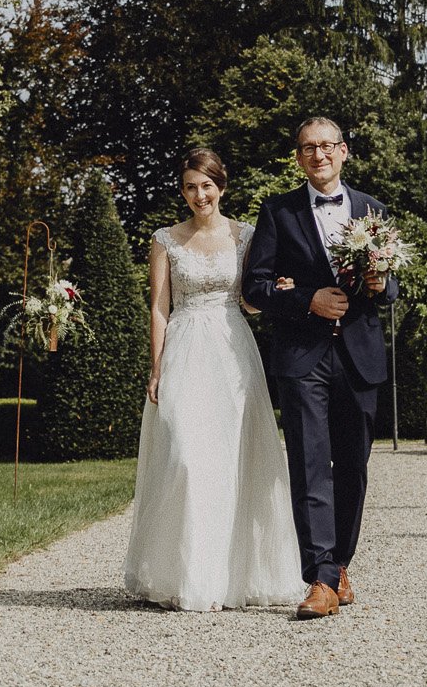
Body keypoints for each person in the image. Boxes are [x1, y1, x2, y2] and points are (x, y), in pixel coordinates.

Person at [122, 148, 304, 611]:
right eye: (190, 186)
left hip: (231, 352)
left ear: (221, 187)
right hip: (184, 348)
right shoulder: (165, 239)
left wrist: (279, 295)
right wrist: (156, 366)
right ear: (182, 191)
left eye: (206, 185)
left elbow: (249, 301)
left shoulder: (245, 236)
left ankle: (231, 578)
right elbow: (159, 307)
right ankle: (185, 574)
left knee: (231, 461)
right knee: (184, 457)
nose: (199, 195)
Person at [241, 117, 397, 620]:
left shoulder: (373, 208)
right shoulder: (277, 211)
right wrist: (309, 300)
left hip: (359, 356)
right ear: (298, 158)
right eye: (308, 148)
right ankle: (320, 578)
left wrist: (379, 286)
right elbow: (255, 288)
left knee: (352, 467)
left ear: (344, 151)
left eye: (327, 146)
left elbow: (392, 285)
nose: (319, 155)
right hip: (303, 357)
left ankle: (341, 565)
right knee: (309, 466)